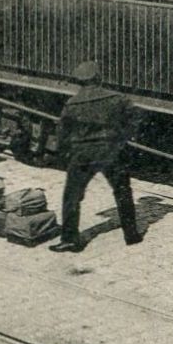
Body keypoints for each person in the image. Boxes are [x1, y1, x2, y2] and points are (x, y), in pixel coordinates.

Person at [53, 61, 144, 253]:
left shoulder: (72, 104)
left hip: (83, 154)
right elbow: (135, 119)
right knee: (122, 191)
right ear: (99, 78)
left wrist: (66, 153)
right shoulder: (117, 98)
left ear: (78, 81)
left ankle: (69, 239)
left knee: (72, 196)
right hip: (111, 151)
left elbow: (62, 134)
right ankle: (132, 235)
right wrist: (122, 139)